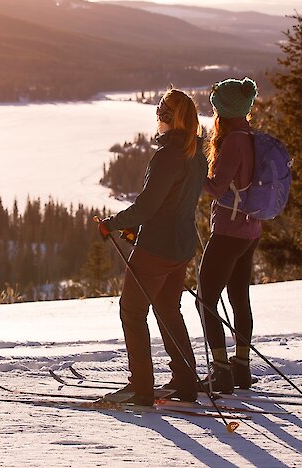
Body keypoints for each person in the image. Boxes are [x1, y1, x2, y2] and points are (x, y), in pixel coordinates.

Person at [98, 88, 207, 405]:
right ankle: (186, 381)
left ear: (164, 119)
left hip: (156, 249)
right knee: (167, 310)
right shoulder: (196, 156)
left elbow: (147, 207)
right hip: (181, 247)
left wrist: (112, 223)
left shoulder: (167, 158)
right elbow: (170, 204)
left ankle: (141, 387)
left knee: (132, 311)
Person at [197, 77, 261, 394]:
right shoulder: (249, 135)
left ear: (223, 111)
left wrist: (194, 167)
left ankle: (221, 372)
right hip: (249, 230)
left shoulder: (234, 140)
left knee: (205, 299)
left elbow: (216, 189)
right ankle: (241, 368)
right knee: (238, 297)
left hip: (229, 231)